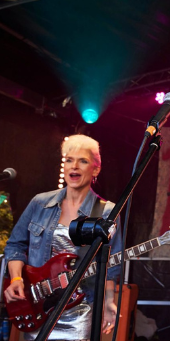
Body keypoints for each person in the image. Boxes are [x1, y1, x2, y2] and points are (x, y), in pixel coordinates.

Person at [4, 135, 122, 340]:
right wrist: (15, 278)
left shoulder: (107, 212)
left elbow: (110, 266)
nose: (74, 166)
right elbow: (15, 245)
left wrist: (109, 302)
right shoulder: (40, 203)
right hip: (38, 304)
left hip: (78, 311)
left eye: (82, 161)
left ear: (95, 169)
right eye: (69, 159)